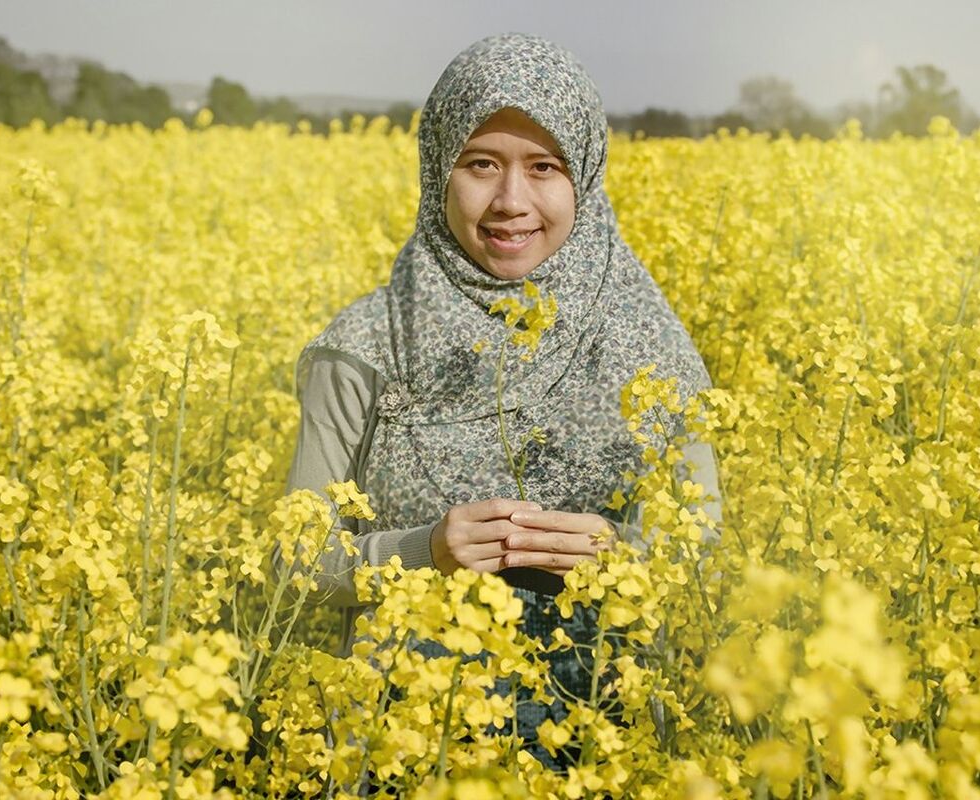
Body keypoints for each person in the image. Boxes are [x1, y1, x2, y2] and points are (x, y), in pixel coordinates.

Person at [279, 31, 723, 771]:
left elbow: (706, 561)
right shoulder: (364, 347)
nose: (511, 202)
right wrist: (423, 552)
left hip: (604, 748)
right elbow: (292, 561)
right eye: (480, 164)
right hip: (404, 752)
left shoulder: (650, 347)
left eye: (544, 168)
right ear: (436, 172)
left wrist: (623, 554)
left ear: (584, 176)